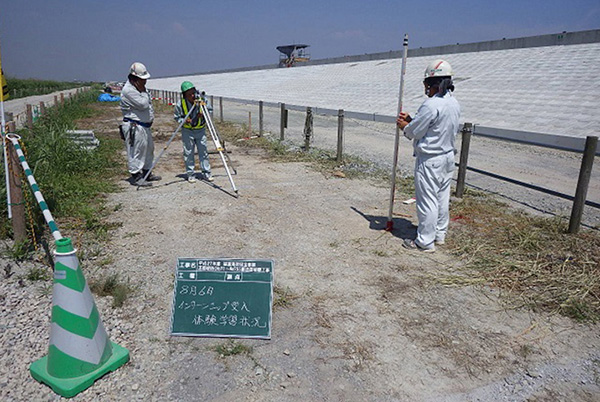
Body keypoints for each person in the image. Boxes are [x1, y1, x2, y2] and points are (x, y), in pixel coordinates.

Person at [396, 59, 461, 252]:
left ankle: (424, 241)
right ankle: (439, 234)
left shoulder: (431, 105)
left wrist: (405, 126)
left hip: (430, 160)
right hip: (447, 157)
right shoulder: (453, 103)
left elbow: (413, 132)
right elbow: (434, 127)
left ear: (432, 84)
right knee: (442, 199)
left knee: (427, 201)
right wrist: (413, 121)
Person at [120, 62, 161, 187]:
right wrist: (143, 92)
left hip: (144, 126)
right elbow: (143, 104)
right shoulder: (128, 91)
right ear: (134, 79)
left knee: (148, 149)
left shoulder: (140, 88)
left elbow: (148, 104)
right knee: (136, 150)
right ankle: (136, 175)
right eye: (142, 80)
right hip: (135, 126)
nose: (145, 82)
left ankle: (147, 172)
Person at [174, 81, 213, 183]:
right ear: (184, 95)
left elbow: (210, 111)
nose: (192, 96)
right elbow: (177, 117)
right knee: (188, 152)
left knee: (203, 151)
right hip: (188, 131)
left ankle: (206, 172)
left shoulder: (202, 100)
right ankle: (190, 174)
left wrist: (204, 114)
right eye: (189, 94)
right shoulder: (180, 104)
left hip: (200, 130)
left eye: (193, 93)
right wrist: (184, 120)